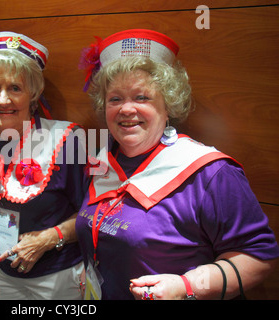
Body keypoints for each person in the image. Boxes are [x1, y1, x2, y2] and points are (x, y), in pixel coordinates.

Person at [75, 29, 279, 300]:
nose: (125, 109)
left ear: (168, 103)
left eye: (142, 97)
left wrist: (187, 286)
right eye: (115, 99)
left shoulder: (211, 173)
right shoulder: (102, 160)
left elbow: (258, 256)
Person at [0, 31, 85, 300]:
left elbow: (90, 214)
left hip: (56, 277)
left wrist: (45, 240)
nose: (3, 99)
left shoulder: (67, 140)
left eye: (15, 88)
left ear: (33, 94)